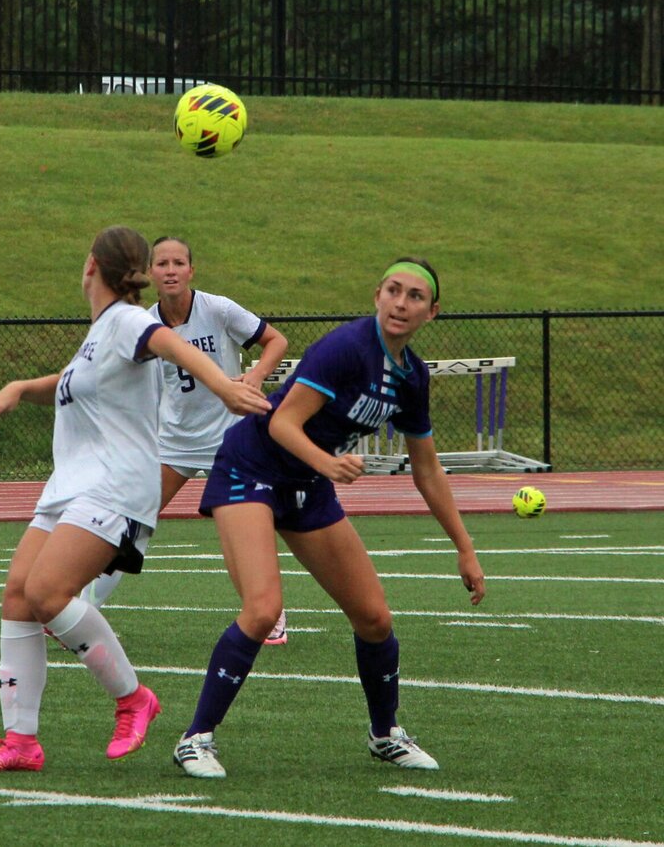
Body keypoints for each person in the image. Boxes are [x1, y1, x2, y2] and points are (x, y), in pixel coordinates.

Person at [0, 225, 270, 773]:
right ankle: (21, 743)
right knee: (17, 596)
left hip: (112, 484)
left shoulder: (130, 321)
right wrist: (18, 389)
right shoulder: (102, 332)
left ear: (90, 267)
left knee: (48, 593)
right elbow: (71, 379)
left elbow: (167, 344)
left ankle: (134, 700)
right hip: (70, 485)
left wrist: (225, 386)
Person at [171, 257, 486, 778]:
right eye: (393, 290)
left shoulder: (412, 378)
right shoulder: (347, 347)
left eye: (414, 297)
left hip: (308, 485)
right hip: (252, 467)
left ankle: (385, 735)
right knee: (263, 608)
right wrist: (329, 464)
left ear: (433, 313)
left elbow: (427, 470)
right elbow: (281, 423)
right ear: (377, 295)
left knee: (374, 618)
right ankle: (195, 739)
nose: (401, 303)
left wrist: (464, 545)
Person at [79, 236, 291, 645]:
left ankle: (272, 613)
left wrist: (256, 376)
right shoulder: (143, 323)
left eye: (179, 262)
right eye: (162, 263)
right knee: (132, 520)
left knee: (250, 528)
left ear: (191, 270)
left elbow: (276, 341)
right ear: (149, 274)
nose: (171, 270)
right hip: (172, 441)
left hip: (229, 439)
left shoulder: (218, 308)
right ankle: (82, 612)